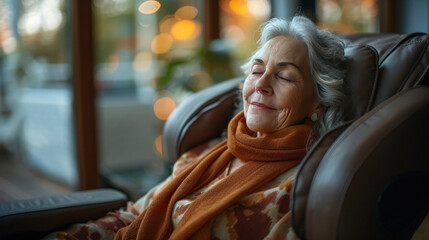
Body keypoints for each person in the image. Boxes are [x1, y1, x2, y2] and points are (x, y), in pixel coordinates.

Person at [45, 15, 346, 240]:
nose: (262, 85)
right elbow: (135, 215)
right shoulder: (206, 153)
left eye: (285, 77)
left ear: (318, 102)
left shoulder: (304, 188)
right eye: (257, 71)